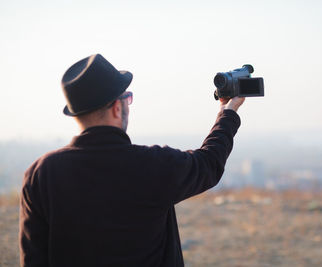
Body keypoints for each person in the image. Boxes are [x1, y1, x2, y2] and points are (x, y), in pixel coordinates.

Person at [19, 54, 244, 267]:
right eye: (127, 98)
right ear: (117, 108)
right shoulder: (154, 165)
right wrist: (227, 112)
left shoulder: (41, 174)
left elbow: (33, 259)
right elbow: (208, 163)